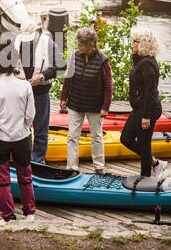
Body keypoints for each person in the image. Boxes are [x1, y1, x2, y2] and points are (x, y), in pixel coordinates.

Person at [0, 47, 36, 225]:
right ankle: (29, 212)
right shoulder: (26, 85)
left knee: (2, 180)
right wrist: (22, 127)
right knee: (25, 176)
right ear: (16, 62)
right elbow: (30, 115)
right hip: (22, 137)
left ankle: (6, 216)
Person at [60, 27, 113, 174]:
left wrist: (105, 107)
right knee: (72, 136)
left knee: (96, 136)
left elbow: (109, 85)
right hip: (75, 103)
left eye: (81, 44)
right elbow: (68, 77)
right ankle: (72, 167)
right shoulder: (75, 56)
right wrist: (64, 97)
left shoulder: (103, 60)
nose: (78, 46)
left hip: (95, 105)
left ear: (91, 45)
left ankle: (99, 166)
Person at [14, 18, 65, 164]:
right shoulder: (16, 42)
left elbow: (61, 66)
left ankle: (38, 160)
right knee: (20, 128)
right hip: (20, 92)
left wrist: (42, 76)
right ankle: (24, 159)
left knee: (40, 129)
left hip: (40, 92)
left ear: (37, 31)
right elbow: (7, 66)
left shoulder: (47, 43)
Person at [121, 29, 167, 178]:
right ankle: (156, 163)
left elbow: (150, 91)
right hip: (139, 108)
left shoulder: (147, 64)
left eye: (136, 41)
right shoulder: (141, 60)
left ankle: (146, 178)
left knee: (144, 145)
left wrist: (146, 116)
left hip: (147, 109)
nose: (133, 43)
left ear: (144, 44)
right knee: (126, 138)